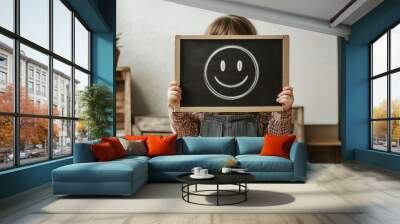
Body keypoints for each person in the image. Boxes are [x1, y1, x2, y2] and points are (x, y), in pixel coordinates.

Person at [167, 15, 294, 137]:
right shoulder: (199, 102)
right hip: (211, 159)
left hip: (248, 159)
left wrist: (282, 111)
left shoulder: (263, 101)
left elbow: (275, 137)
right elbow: (186, 136)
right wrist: (176, 107)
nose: (230, 61)